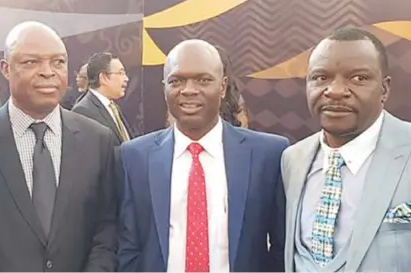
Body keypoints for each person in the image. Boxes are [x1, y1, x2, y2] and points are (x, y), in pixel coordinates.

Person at [281, 27, 411, 272]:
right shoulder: (293, 159)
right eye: (320, 77)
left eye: (358, 78)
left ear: (384, 89)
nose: (335, 91)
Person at [118, 39, 288, 272]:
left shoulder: (267, 155)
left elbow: (280, 247)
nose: (188, 90)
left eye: (203, 80)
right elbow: (128, 245)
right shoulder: (135, 157)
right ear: (164, 88)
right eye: (176, 81)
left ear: (223, 86)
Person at [0, 21, 117, 272]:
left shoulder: (97, 139)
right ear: (5, 68)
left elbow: (106, 230)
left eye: (58, 62)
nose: (48, 72)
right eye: (31, 62)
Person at [166, 46, 250, 128]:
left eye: (204, 80)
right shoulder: (178, 100)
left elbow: (241, 130)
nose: (189, 90)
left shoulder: (235, 99)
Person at [72, 52, 134, 145]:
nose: (126, 78)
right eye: (121, 73)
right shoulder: (83, 111)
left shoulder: (113, 106)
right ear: (103, 77)